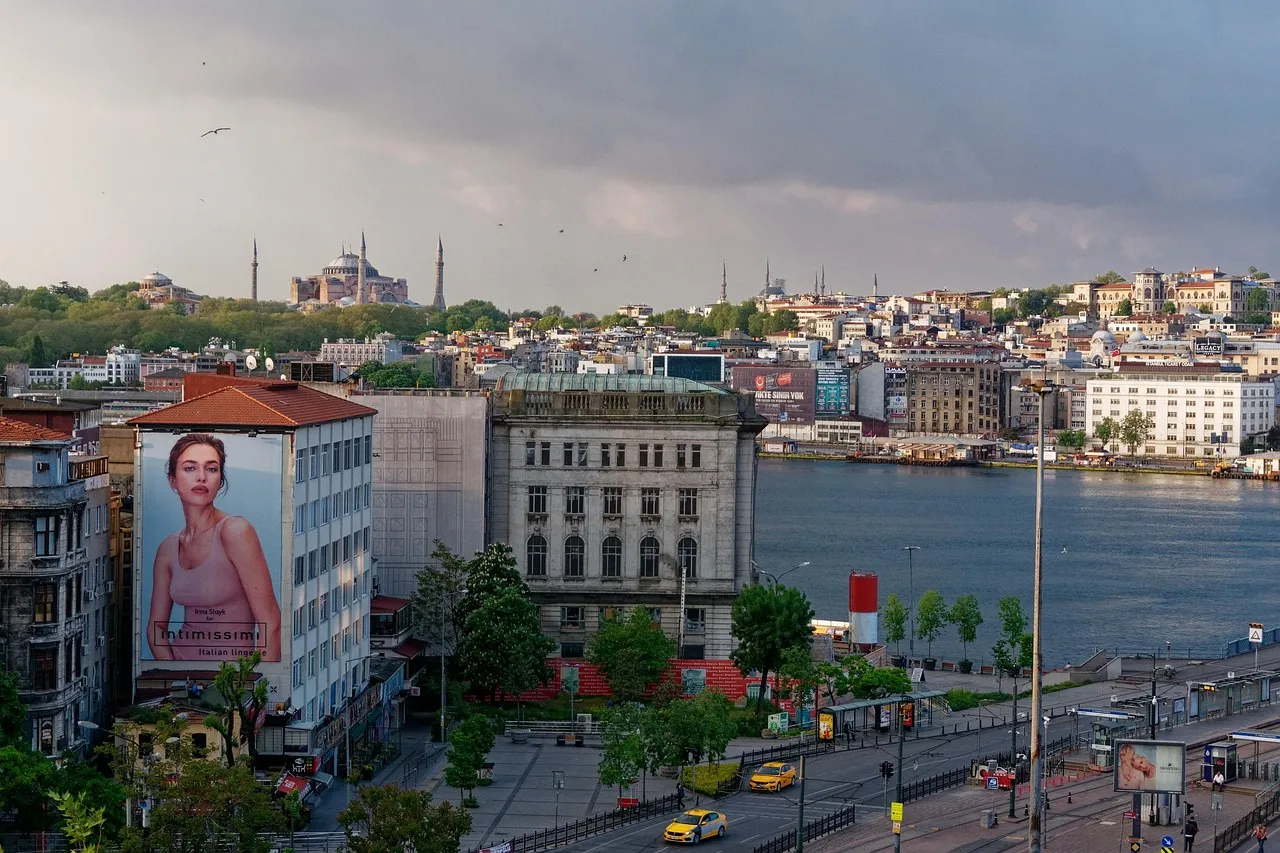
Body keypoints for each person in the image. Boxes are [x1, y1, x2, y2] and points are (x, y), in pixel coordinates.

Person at [147, 433, 281, 661]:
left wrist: (254, 686)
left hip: (232, 679)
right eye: (190, 468)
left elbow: (272, 623)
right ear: (173, 479)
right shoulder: (168, 549)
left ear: (221, 480)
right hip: (183, 677)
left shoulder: (236, 531)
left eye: (211, 469)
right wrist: (172, 677)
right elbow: (155, 629)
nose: (201, 477)